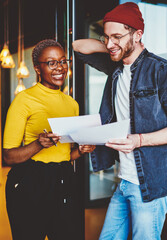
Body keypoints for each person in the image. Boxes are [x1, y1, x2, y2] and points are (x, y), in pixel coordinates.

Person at [72, 2, 167, 240]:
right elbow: (78, 46)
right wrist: (115, 47)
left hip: (150, 185)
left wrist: (139, 140)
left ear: (138, 35)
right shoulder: (115, 67)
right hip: (124, 180)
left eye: (117, 36)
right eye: (106, 37)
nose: (109, 42)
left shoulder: (160, 71)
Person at [3, 39, 95, 240]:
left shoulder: (72, 104)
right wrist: (38, 144)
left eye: (63, 61)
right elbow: (8, 157)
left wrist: (81, 151)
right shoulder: (24, 100)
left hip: (64, 179)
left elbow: (64, 155)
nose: (59, 67)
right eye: (51, 63)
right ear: (37, 68)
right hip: (30, 182)